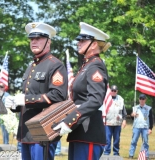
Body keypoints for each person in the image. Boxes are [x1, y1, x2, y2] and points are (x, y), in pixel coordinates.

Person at [5, 22, 68, 160]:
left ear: (48, 42)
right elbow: (28, 96)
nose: (34, 42)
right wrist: (16, 104)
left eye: (38, 38)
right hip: (26, 132)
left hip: (43, 132)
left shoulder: (55, 65)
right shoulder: (31, 66)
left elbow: (58, 95)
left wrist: (26, 99)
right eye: (31, 39)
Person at [53, 22, 111, 160]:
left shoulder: (95, 66)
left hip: (88, 132)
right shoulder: (86, 65)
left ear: (95, 44)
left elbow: (95, 100)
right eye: (79, 40)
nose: (78, 43)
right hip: (80, 131)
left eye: (83, 40)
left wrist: (70, 120)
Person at [104, 85, 127, 156]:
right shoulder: (106, 98)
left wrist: (124, 120)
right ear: (110, 91)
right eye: (112, 90)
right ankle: (106, 153)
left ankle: (116, 153)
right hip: (108, 122)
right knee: (107, 140)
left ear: (117, 91)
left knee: (116, 140)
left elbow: (124, 111)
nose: (113, 92)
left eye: (115, 91)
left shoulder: (120, 99)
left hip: (117, 123)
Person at [129, 93, 153, 159]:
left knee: (145, 142)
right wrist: (132, 115)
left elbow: (151, 119)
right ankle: (131, 155)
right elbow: (132, 118)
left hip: (145, 128)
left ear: (145, 100)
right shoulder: (135, 108)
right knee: (133, 141)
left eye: (143, 99)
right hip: (136, 127)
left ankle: (147, 156)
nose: (142, 100)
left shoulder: (148, 108)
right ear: (139, 100)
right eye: (140, 99)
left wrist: (150, 128)